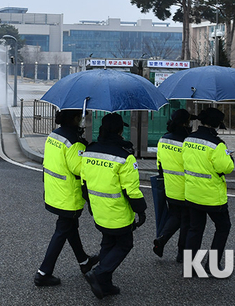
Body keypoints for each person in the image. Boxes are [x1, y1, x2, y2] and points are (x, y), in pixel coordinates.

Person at [81, 113, 147, 299]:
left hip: (98, 209)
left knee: (108, 243)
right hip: (118, 212)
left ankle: (105, 284)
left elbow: (84, 184)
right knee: (125, 244)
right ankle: (99, 273)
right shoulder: (125, 157)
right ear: (119, 131)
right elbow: (132, 191)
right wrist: (141, 211)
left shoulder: (89, 151)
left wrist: (91, 206)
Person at [35, 109, 99, 287]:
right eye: (80, 117)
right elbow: (79, 170)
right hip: (68, 195)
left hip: (54, 191)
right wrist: (87, 153)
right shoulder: (74, 142)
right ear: (75, 118)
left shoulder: (54, 135)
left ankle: (84, 262)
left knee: (70, 227)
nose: (82, 120)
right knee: (63, 229)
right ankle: (43, 273)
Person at [182, 107, 235, 276]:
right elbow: (226, 168)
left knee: (195, 229)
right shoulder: (217, 144)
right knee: (223, 227)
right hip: (212, 197)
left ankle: (190, 266)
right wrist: (230, 158)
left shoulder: (189, 139)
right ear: (217, 124)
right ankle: (211, 266)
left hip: (192, 192)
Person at [153, 109, 194, 263]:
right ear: (185, 123)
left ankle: (162, 239)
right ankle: (181, 254)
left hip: (170, 188)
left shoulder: (163, 139)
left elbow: (159, 165)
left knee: (175, 215)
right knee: (186, 222)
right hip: (187, 189)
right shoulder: (188, 142)